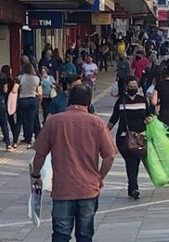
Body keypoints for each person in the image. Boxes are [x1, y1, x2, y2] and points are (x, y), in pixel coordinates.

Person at [31, 84, 117, 242]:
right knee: (85, 235)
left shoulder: (53, 122)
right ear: (89, 102)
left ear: (69, 100)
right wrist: (99, 177)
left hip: (63, 188)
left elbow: (39, 154)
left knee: (60, 234)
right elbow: (109, 156)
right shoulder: (96, 123)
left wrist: (36, 175)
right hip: (88, 188)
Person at [108, 76, 151, 199]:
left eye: (135, 86)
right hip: (124, 138)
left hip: (140, 138)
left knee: (134, 162)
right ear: (126, 87)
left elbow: (149, 116)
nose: (133, 88)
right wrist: (103, 133)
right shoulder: (121, 101)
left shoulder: (143, 100)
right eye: (131, 86)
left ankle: (131, 187)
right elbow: (113, 119)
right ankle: (134, 187)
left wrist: (149, 120)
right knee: (131, 160)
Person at [12, 63, 41, 149]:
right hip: (32, 100)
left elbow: (14, 90)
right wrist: (33, 92)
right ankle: (29, 142)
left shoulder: (20, 78)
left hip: (22, 100)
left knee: (19, 121)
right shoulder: (37, 79)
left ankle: (14, 142)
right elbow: (40, 93)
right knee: (31, 121)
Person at [1, 65, 16, 140]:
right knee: (11, 119)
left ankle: (6, 136)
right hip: (10, 100)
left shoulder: (2, 79)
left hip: (4, 99)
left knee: (4, 120)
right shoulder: (12, 80)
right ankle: (14, 135)